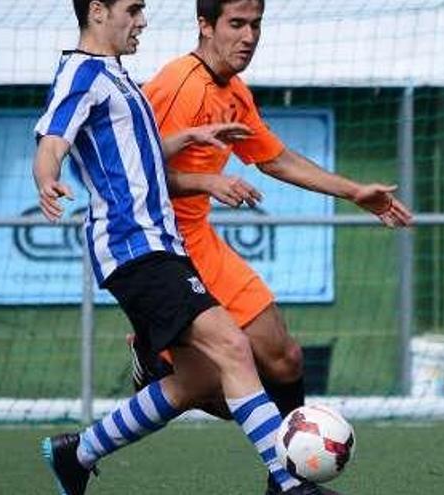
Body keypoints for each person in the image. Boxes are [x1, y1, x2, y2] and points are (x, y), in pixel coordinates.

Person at [34, 1, 336, 494]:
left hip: (159, 244)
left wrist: (194, 137)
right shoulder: (83, 73)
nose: (142, 20)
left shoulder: (116, 76)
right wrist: (46, 178)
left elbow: (141, 156)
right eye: (132, 9)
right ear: (97, 12)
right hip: (134, 248)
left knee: (193, 382)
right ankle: (289, 483)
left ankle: (78, 453)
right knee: (234, 346)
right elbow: (52, 138)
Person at [132, 0, 412, 448]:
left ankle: (288, 476)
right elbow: (134, 175)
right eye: (236, 24)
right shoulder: (177, 85)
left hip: (201, 239)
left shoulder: (234, 91)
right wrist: (208, 180)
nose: (248, 37)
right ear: (205, 25)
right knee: (217, 385)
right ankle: (156, 360)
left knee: (286, 361)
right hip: (163, 248)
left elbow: (275, 159)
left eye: (255, 25)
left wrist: (354, 191)